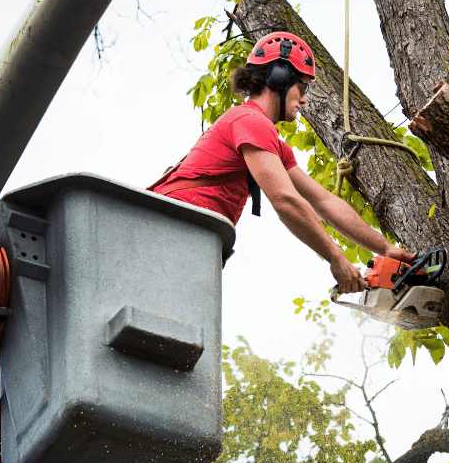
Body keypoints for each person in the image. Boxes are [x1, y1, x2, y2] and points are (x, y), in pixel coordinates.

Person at [150, 31, 414, 294]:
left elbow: (323, 201)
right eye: (302, 87)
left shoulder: (268, 141)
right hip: (166, 229)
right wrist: (336, 257)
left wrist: (386, 249)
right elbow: (285, 200)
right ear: (279, 78)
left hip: (187, 235)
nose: (304, 98)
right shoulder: (250, 121)